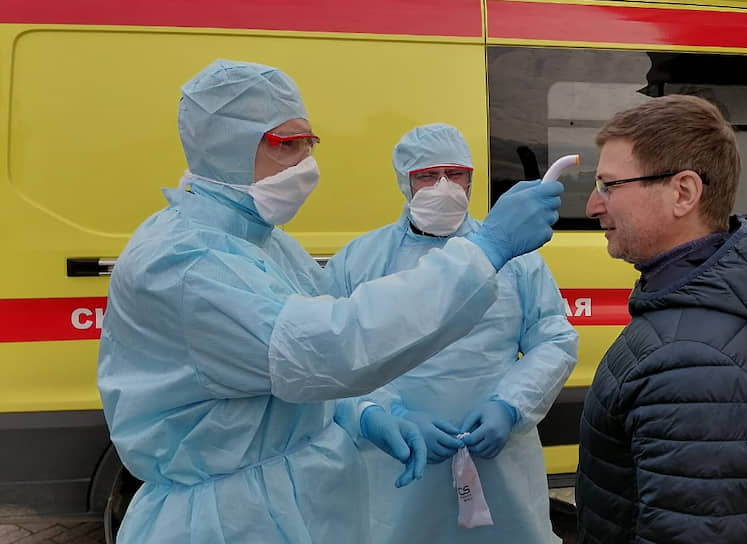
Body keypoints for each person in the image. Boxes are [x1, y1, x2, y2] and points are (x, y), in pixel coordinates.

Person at [96, 59, 564, 544]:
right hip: (226, 519)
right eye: (287, 144)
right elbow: (330, 347)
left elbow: (314, 375)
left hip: (292, 502)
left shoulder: (266, 245)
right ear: (225, 145)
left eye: (309, 144)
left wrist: (363, 415)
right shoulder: (186, 262)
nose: (306, 163)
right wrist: (486, 252)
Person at [323, 123, 578, 543]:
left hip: (499, 457)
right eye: (427, 175)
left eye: (455, 174)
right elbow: (329, 361)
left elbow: (554, 339)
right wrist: (385, 415)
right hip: (396, 461)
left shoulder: (514, 258)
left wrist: (510, 405)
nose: (443, 186)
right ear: (405, 181)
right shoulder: (360, 261)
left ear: (471, 179)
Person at [575, 95, 747, 544]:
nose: (592, 205)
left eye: (609, 186)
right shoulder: (688, 317)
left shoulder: (695, 365)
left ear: (683, 193)